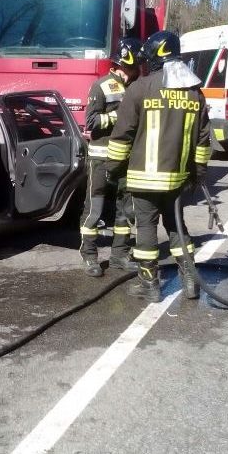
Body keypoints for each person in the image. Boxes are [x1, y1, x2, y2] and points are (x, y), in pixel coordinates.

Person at [106, 30, 212, 302]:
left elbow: (122, 136)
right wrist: (197, 175)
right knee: (178, 228)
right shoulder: (194, 94)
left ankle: (149, 285)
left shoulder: (139, 88)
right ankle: (190, 281)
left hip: (143, 178)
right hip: (177, 179)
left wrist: (113, 169)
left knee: (146, 230)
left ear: (155, 56)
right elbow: (202, 142)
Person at [79, 37, 143, 277]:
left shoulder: (135, 87)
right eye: (134, 67)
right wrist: (121, 115)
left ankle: (120, 255)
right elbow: (92, 122)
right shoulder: (101, 85)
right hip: (101, 158)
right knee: (94, 208)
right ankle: (90, 255)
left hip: (126, 159)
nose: (137, 72)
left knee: (125, 210)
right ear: (124, 64)